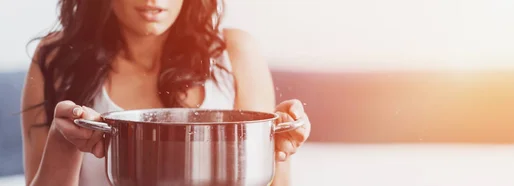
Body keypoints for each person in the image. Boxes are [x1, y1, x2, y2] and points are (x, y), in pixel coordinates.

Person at [19, 0, 311, 185]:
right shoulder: (55, 60)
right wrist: (63, 141)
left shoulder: (235, 53)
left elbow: (277, 183)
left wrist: (276, 149)